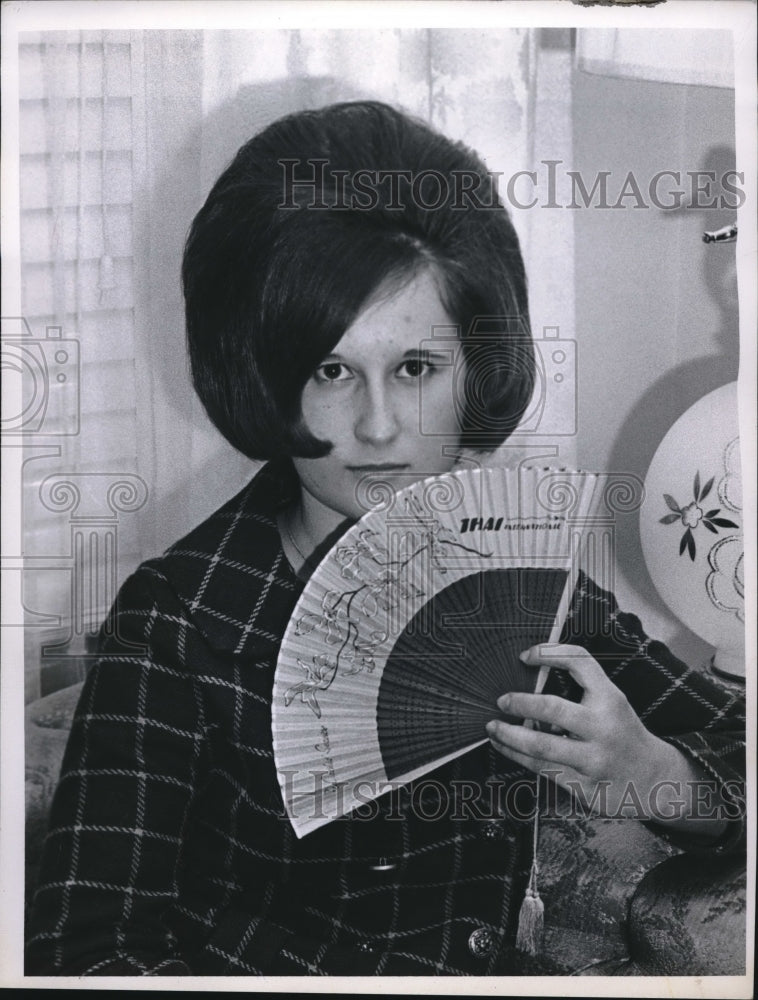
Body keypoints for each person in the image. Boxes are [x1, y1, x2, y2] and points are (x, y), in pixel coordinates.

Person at [25, 100, 745, 977]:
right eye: (331, 370)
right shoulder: (177, 624)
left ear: (474, 372)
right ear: (263, 374)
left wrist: (658, 773)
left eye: (416, 368)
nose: (378, 428)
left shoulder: (522, 584)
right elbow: (87, 952)